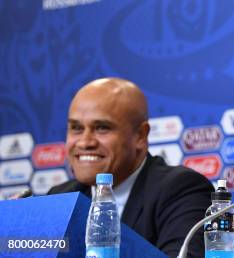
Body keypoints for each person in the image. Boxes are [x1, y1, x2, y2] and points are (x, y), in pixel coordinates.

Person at [48, 77, 214, 258]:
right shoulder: (60, 198)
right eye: (76, 128)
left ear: (140, 136)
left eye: (102, 128)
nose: (85, 142)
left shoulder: (182, 189)